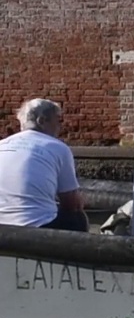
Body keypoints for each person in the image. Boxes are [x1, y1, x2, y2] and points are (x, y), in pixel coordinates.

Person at [0, 99, 88, 231]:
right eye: (57, 120)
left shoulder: (2, 145)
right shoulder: (57, 147)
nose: (60, 126)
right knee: (77, 216)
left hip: (3, 226)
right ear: (42, 121)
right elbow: (71, 203)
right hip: (39, 227)